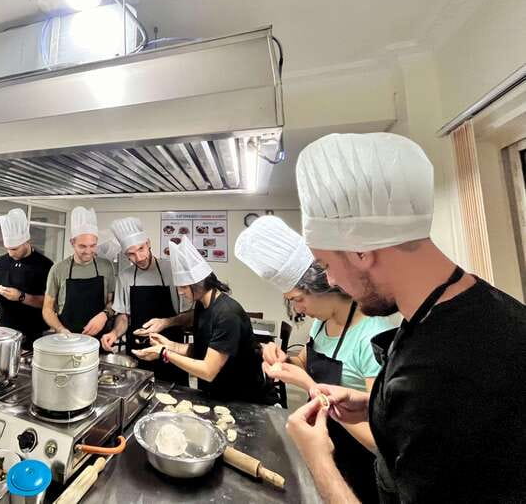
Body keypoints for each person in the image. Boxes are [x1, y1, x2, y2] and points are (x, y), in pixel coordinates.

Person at [285, 133, 526, 503]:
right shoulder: (471, 307)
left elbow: (439, 407)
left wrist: (318, 459)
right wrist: (373, 403)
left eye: (327, 264)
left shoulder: (445, 380)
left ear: (361, 251)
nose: (331, 280)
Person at [236, 215, 393, 503]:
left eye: (298, 298)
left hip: (361, 466)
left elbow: (380, 440)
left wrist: (309, 385)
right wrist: (284, 360)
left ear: (324, 287)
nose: (298, 308)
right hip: (325, 444)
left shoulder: (373, 336)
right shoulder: (322, 322)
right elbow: (306, 361)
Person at [134, 236, 274, 404]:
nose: (180, 292)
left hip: (242, 398)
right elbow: (201, 351)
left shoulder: (227, 314)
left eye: (184, 287)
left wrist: (164, 353)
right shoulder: (203, 306)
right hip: (216, 392)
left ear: (199, 283)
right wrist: (168, 345)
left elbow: (208, 370)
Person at [101, 217, 188, 383]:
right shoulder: (125, 276)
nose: (139, 257)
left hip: (171, 349)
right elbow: (123, 316)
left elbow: (189, 315)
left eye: (141, 249)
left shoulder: (171, 270)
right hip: (138, 351)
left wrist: (166, 322)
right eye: (131, 254)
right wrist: (114, 333)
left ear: (148, 243)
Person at [0, 208, 53, 349]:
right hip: (3, 328)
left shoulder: (45, 265)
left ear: (27, 241)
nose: (10, 253)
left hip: (32, 330)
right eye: (8, 248)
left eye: (14, 249)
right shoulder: (0, 262)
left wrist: (21, 297)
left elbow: (48, 303)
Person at [42, 207, 115, 336]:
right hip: (67, 337)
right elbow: (47, 309)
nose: (88, 251)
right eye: (82, 246)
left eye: (93, 246)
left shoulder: (106, 267)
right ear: (72, 243)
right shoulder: (58, 269)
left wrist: (104, 314)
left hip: (99, 338)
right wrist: (60, 329)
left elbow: (113, 302)